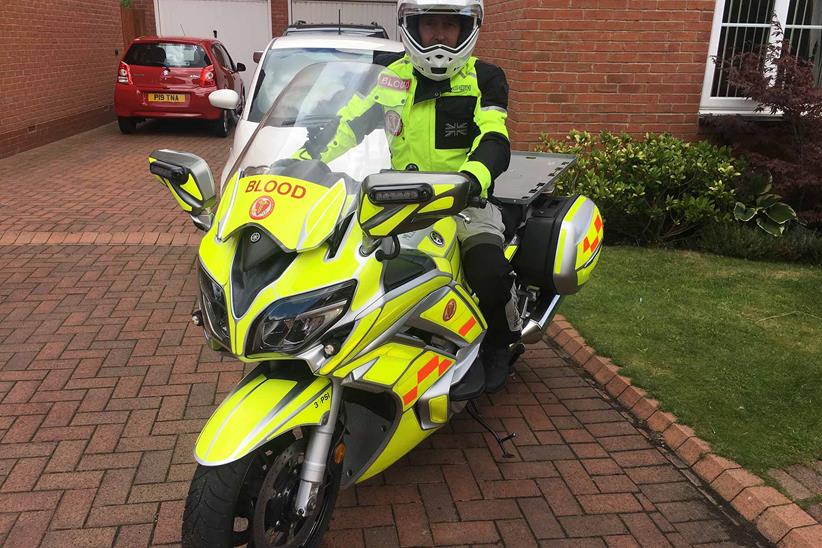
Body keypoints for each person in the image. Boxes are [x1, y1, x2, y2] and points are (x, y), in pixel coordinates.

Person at [297, 0, 520, 392]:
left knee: (486, 265)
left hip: (464, 201)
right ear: (411, 28)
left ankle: (501, 340)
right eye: (428, 24)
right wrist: (302, 160)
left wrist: (471, 180)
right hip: (399, 201)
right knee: (351, 260)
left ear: (467, 29)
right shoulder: (389, 77)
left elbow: (494, 137)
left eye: (448, 26)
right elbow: (348, 123)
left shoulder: (485, 77)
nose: (438, 35)